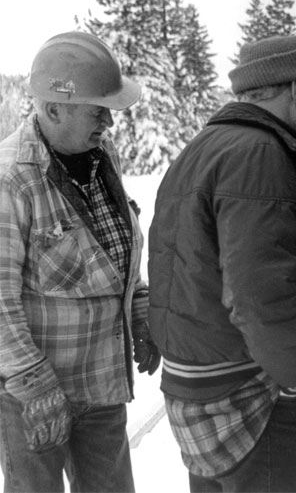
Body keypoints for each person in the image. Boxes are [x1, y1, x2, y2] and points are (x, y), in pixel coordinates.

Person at [148, 35, 296, 492]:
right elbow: (259, 291)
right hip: (251, 395)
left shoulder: (206, 146)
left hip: (203, 386)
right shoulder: (259, 154)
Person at [0, 31, 159, 492]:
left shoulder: (100, 155)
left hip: (101, 384)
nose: (109, 121)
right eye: (97, 110)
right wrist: (33, 382)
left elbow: (112, 250)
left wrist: (139, 309)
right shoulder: (12, 179)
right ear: (54, 109)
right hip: (34, 396)